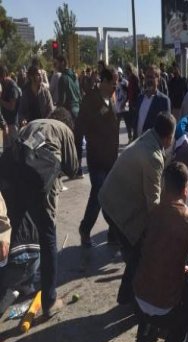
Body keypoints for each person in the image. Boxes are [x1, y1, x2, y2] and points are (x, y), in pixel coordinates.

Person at [0, 107, 78, 318]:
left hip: (14, 178)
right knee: (48, 235)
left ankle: (17, 282)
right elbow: (73, 168)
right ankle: (50, 301)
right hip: (40, 179)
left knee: (14, 229)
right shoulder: (65, 130)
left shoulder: (34, 122)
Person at [133, 161, 188, 342]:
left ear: (164, 186)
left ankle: (145, 330)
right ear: (186, 188)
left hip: (137, 300)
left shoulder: (153, 212)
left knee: (151, 265)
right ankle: (177, 338)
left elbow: (152, 253)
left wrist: (180, 266)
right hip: (165, 309)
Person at [99, 112, 176, 305]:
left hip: (110, 198)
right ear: (168, 137)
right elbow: (153, 205)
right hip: (116, 208)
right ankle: (128, 299)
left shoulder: (148, 137)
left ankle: (128, 296)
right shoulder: (154, 157)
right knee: (139, 253)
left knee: (135, 252)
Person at [77, 67, 120, 247]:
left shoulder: (112, 98)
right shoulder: (90, 99)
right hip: (96, 158)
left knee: (110, 195)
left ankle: (113, 232)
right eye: (112, 83)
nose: (114, 87)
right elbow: (81, 127)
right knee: (98, 193)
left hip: (111, 157)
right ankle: (85, 229)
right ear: (103, 82)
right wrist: (101, 112)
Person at [55, 55, 82, 177]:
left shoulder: (63, 79)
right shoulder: (75, 76)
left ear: (63, 63)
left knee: (68, 143)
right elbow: (79, 94)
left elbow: (62, 99)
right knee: (78, 142)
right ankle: (79, 169)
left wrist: (56, 112)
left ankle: (71, 170)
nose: (56, 66)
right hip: (78, 111)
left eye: (57, 63)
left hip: (69, 113)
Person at [135, 65, 171, 138]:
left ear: (158, 79)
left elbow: (166, 128)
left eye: (151, 77)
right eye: (147, 77)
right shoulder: (140, 98)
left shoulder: (164, 100)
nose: (149, 80)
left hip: (153, 145)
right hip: (137, 144)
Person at [0, 65, 21, 148]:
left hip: (13, 124)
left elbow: (12, 106)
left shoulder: (13, 87)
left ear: (4, 75)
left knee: (15, 149)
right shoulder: (4, 85)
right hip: (6, 123)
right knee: (7, 152)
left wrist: (0, 101)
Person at [125, 63, 140, 142]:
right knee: (131, 122)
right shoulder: (130, 78)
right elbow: (129, 91)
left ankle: (135, 138)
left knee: (134, 122)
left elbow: (137, 91)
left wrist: (135, 103)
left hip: (134, 103)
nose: (126, 71)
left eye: (127, 69)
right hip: (131, 103)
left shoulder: (134, 78)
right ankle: (133, 138)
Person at [115, 67, 131, 143]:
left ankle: (130, 137)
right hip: (117, 106)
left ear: (121, 74)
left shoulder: (125, 82)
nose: (118, 75)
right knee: (116, 125)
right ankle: (116, 140)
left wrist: (125, 102)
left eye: (119, 74)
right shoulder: (115, 82)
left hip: (124, 106)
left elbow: (129, 94)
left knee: (128, 123)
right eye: (117, 74)